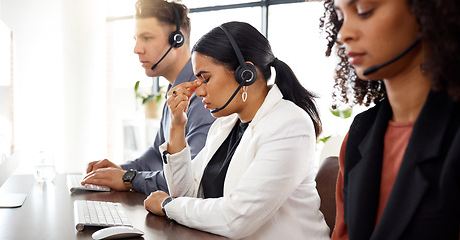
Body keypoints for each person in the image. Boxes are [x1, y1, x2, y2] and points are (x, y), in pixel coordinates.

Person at [144, 21, 330, 239]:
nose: (199, 91)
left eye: (206, 78)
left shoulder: (290, 125)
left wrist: (167, 206)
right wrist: (177, 124)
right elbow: (186, 194)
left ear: (245, 74)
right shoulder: (225, 125)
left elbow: (237, 218)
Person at [321, 0, 460, 239]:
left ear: (426, 12)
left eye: (365, 11)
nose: (343, 34)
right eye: (341, 17)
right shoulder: (360, 133)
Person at [82, 0, 214, 195]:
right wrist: (119, 170)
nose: (136, 49)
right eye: (136, 38)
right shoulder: (175, 88)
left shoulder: (202, 94)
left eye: (147, 37)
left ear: (177, 39)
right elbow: (156, 156)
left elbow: (188, 176)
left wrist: (128, 179)